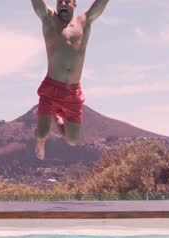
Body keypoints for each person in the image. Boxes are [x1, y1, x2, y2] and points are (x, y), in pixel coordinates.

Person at [30, 0, 109, 160]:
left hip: (73, 91)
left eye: (67, 1)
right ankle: (39, 141)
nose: (63, 4)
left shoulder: (84, 21)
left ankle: (58, 118)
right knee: (43, 133)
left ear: (74, 4)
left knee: (72, 141)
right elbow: (38, 5)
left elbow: (98, 7)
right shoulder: (49, 19)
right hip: (52, 87)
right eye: (60, 1)